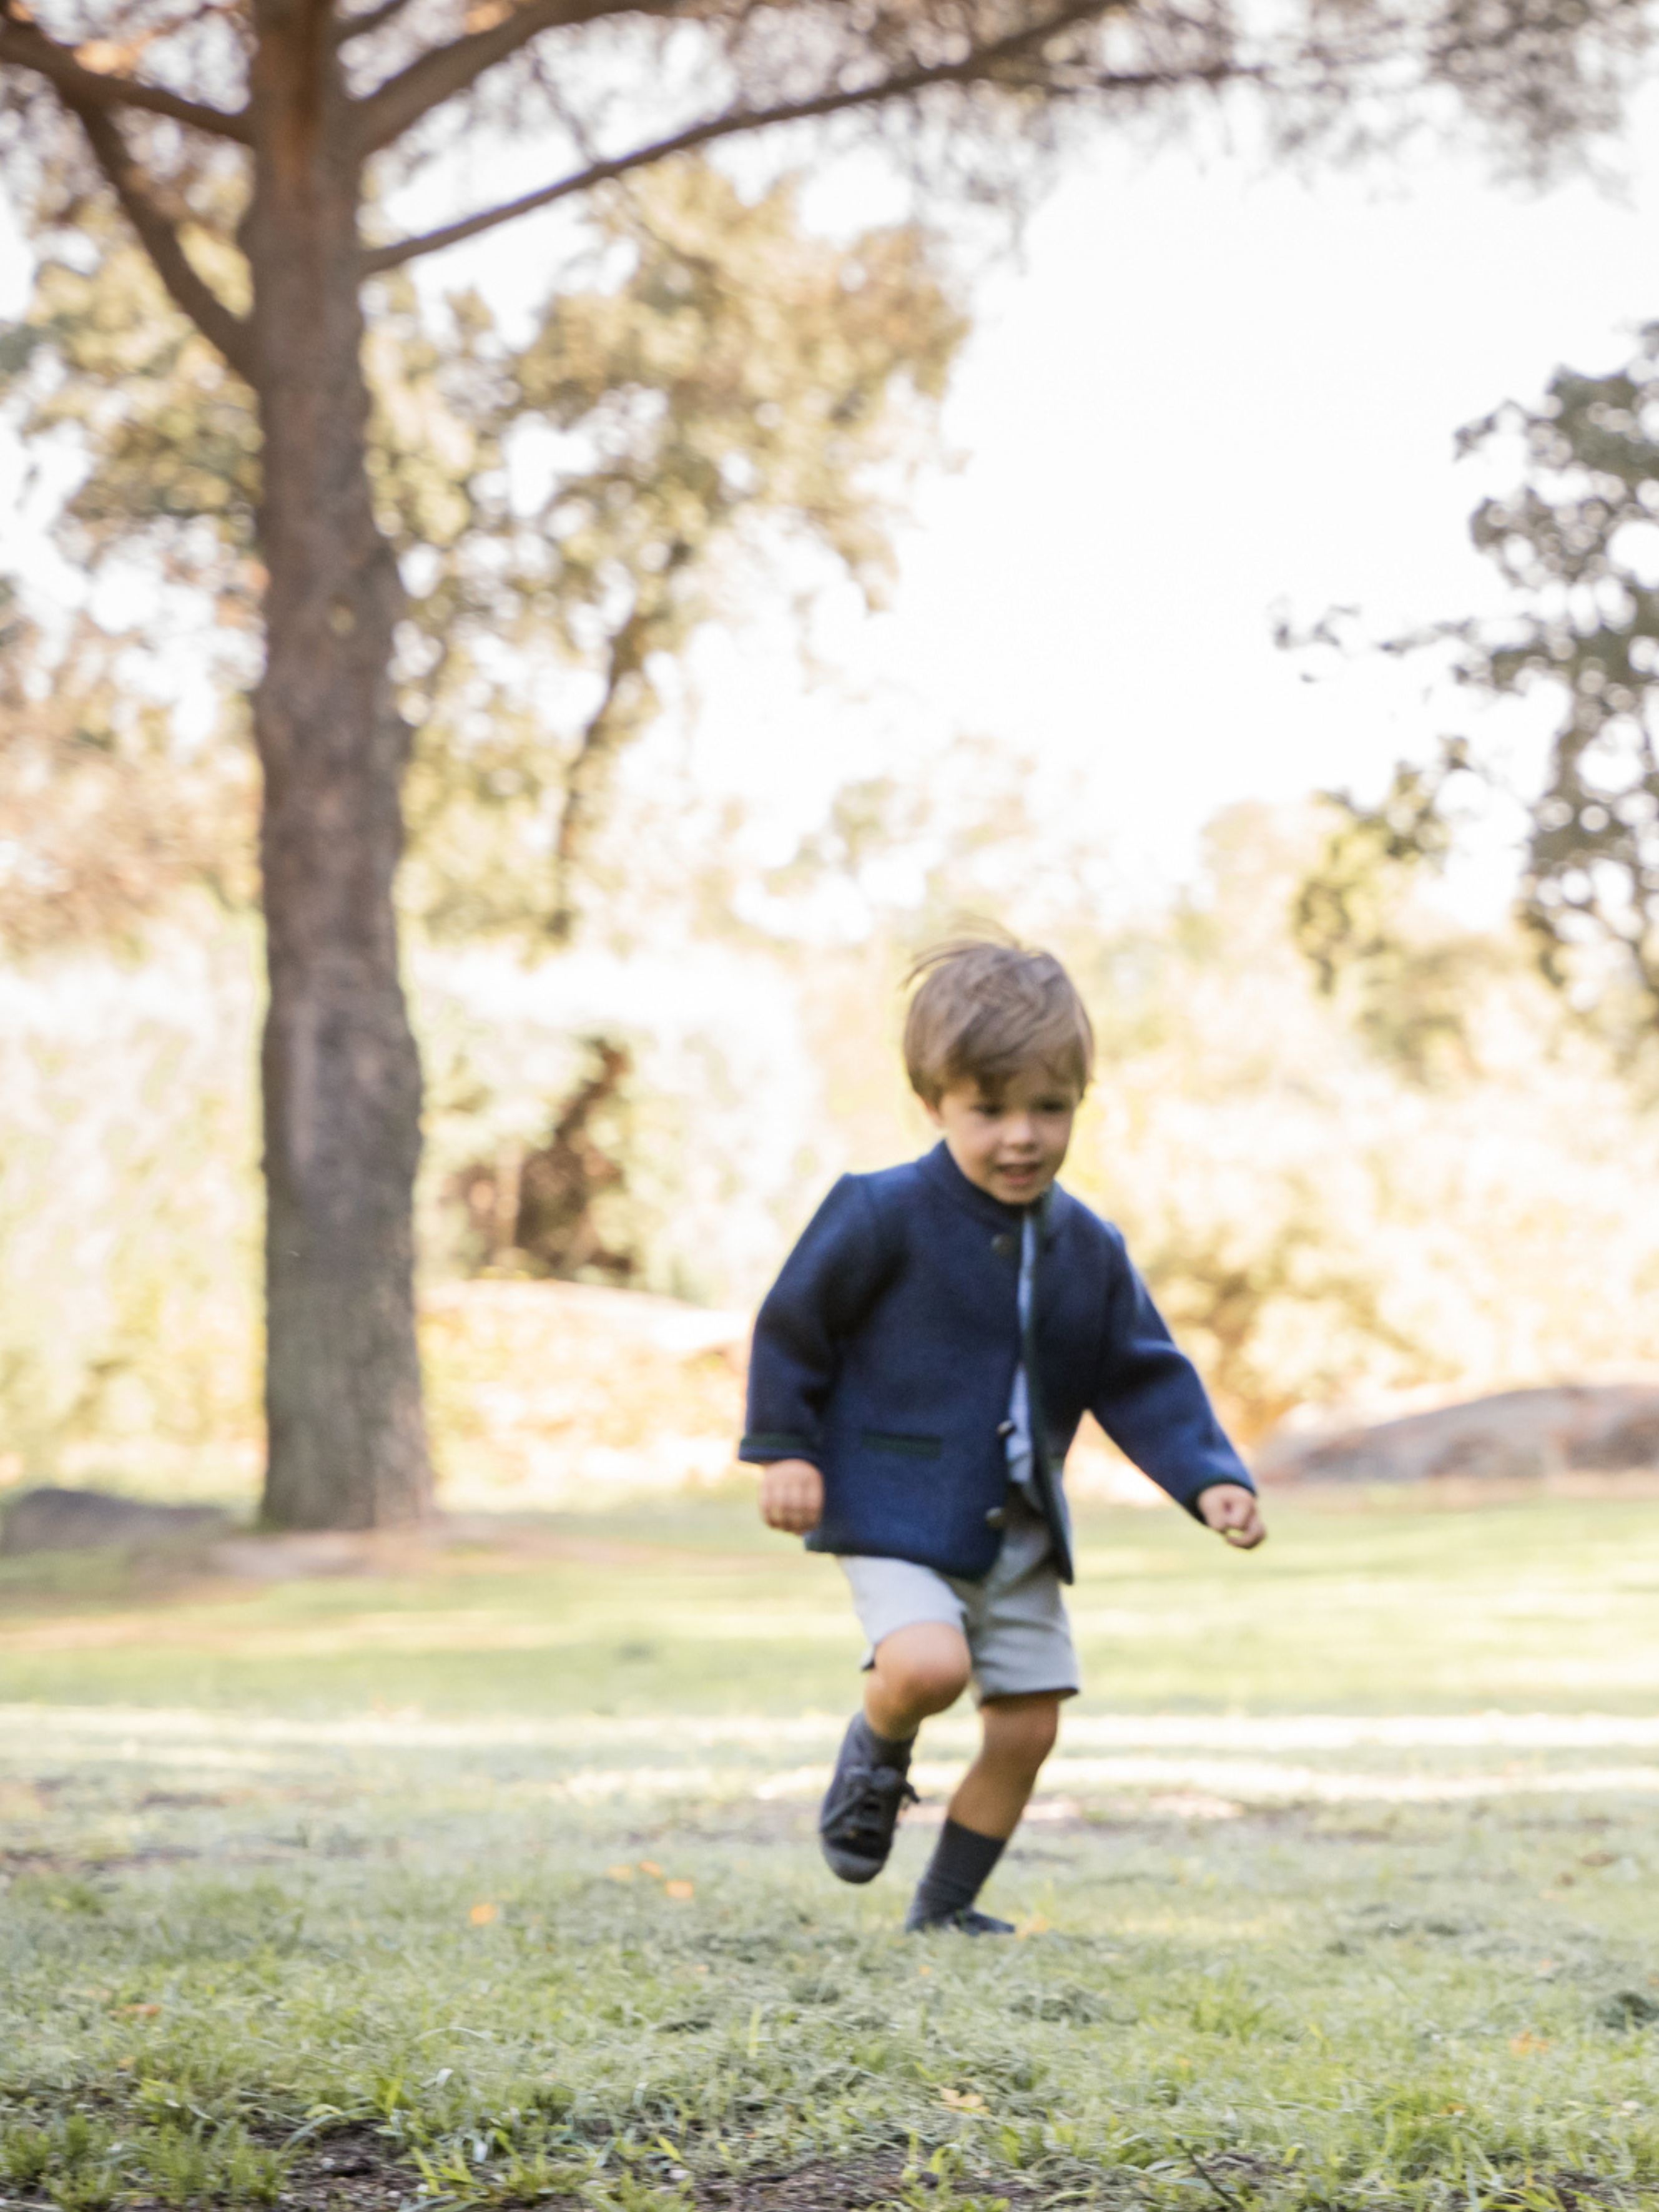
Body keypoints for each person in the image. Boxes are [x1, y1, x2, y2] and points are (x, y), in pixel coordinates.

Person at [739, 934, 1266, 1935]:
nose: (1021, 1135)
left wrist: (1209, 1478)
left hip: (1018, 1528)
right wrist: (784, 1448)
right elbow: (794, 1325)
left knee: (1027, 1726)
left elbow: (1140, 1372)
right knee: (928, 1667)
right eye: (990, 1109)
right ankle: (876, 1748)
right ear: (933, 1101)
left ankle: (945, 1911)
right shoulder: (879, 1212)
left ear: (1080, 1099)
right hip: (894, 1504)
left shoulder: (1090, 1247)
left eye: (1049, 1107)